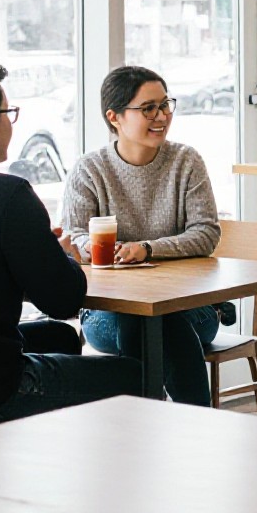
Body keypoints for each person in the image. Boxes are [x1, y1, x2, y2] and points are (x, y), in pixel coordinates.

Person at [0, 54, 140, 424]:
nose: (10, 123)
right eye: (8, 113)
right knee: (140, 376)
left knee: (59, 337)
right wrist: (59, 256)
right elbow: (64, 299)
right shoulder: (7, 196)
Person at [63, 65, 221, 406]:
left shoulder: (185, 161)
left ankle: (145, 424)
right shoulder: (90, 170)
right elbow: (75, 233)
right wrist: (90, 246)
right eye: (148, 108)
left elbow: (207, 232)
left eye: (165, 105)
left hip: (190, 306)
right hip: (108, 312)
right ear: (115, 117)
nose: (161, 116)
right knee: (142, 320)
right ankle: (195, 423)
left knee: (161, 319)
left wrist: (147, 249)